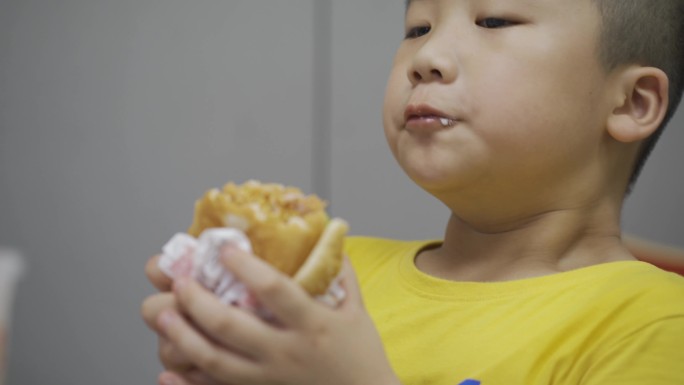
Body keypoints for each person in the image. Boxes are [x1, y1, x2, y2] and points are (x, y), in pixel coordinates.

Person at [141, 0, 684, 384]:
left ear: (632, 102)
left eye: (494, 19)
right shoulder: (329, 277)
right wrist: (213, 353)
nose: (427, 59)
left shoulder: (654, 325)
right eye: (417, 28)